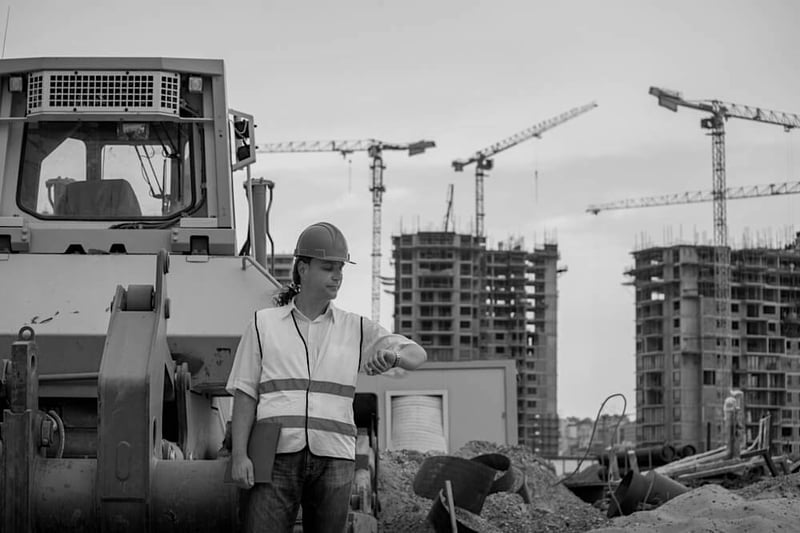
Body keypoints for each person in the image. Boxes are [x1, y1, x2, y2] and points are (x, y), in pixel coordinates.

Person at [226, 221, 427, 533]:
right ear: (303, 269)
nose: (338, 276)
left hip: (334, 457)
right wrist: (239, 456)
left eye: (340, 268)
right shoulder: (263, 324)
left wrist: (394, 356)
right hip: (276, 455)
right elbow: (245, 392)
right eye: (328, 267)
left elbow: (418, 356)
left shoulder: (356, 328)